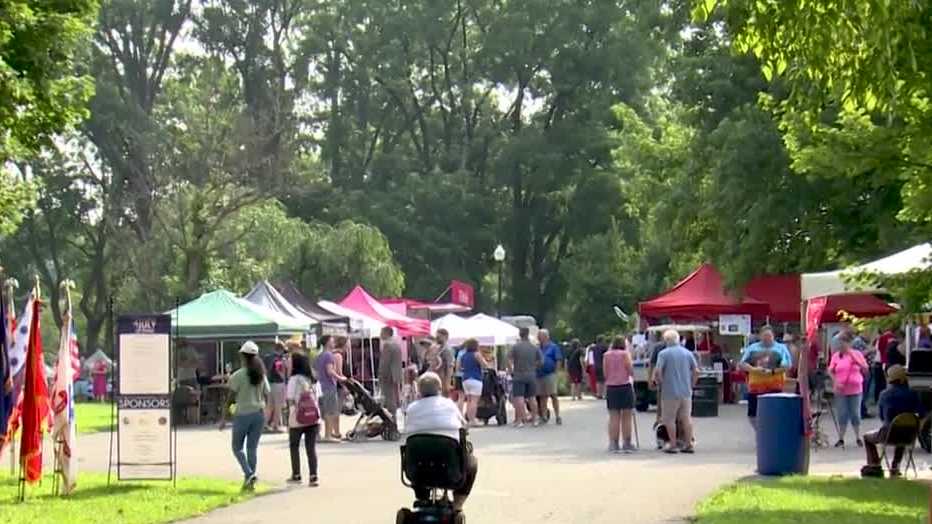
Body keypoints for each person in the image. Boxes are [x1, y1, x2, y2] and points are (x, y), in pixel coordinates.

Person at [404, 372, 478, 512]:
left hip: (417, 469)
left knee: (415, 453)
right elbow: (463, 425)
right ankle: (457, 505)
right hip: (449, 463)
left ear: (419, 391)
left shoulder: (411, 408)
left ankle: (422, 496)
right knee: (472, 463)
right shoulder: (449, 404)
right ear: (439, 389)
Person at [219, 341, 270, 491]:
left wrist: (224, 418)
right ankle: (250, 481)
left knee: (236, 448)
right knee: (252, 448)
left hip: (242, 414)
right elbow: (267, 393)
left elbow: (230, 398)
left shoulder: (238, 375)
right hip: (259, 414)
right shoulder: (261, 374)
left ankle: (248, 474)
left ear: (242, 356)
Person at [861, 365, 927, 478]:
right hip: (909, 435)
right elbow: (922, 413)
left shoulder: (885, 394)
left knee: (867, 437)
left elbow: (882, 417)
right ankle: (895, 466)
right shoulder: (913, 394)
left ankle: (874, 465)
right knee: (902, 432)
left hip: (888, 434)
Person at [739, 326, 792, 431]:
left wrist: (773, 371)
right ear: (760, 336)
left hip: (774, 386)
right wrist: (754, 369)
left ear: (773, 336)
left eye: (769, 336)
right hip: (755, 387)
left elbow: (787, 365)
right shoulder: (752, 348)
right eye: (764, 336)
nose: (766, 338)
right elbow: (742, 364)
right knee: (752, 414)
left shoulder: (781, 348)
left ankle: (771, 432)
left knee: (774, 412)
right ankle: (760, 432)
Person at [653, 330, 698, 454]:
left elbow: (658, 371)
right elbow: (696, 371)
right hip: (686, 391)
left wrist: (660, 382)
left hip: (669, 392)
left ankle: (673, 444)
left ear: (666, 340)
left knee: (669, 419)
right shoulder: (687, 353)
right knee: (686, 418)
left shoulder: (663, 354)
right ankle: (689, 444)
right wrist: (692, 384)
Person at [829, 331, 869, 447]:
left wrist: (853, 357)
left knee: (855, 413)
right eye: (840, 342)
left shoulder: (857, 354)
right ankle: (841, 438)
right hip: (841, 389)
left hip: (855, 388)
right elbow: (830, 370)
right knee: (842, 413)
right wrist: (835, 381)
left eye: (844, 342)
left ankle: (858, 436)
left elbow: (865, 368)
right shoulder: (836, 356)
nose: (841, 345)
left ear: (849, 343)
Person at [286, 353, 321, 486]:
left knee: (294, 445)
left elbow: (290, 399)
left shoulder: (294, 380)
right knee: (311, 448)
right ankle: (313, 476)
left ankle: (296, 474)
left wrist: (288, 418)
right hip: (313, 417)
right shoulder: (313, 379)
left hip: (297, 417)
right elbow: (319, 398)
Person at [603, 336, 636, 453]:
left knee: (613, 416)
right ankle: (627, 443)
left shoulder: (606, 355)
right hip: (624, 386)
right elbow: (630, 370)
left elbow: (605, 372)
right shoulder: (625, 354)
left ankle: (613, 443)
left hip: (611, 387)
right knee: (626, 416)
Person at [508, 327, 542, 427]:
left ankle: (521, 420)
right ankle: (535, 419)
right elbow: (541, 361)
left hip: (518, 374)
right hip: (531, 375)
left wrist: (511, 371)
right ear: (528, 334)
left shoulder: (515, 347)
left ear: (520, 334)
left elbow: (509, 360)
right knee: (532, 398)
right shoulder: (534, 347)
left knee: (519, 398)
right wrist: (534, 366)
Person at [315, 335, 346, 442]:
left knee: (322, 411)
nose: (334, 343)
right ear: (327, 343)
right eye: (332, 341)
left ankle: (319, 434)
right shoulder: (329, 355)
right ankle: (328, 435)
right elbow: (330, 371)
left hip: (320, 386)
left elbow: (315, 372)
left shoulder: (319, 355)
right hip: (329, 386)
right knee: (330, 411)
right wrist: (340, 378)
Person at [536, 329, 564, 425]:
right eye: (538, 336)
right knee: (542, 396)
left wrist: (556, 372)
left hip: (550, 374)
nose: (538, 338)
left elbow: (558, 360)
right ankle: (543, 416)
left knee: (553, 395)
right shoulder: (538, 347)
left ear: (546, 337)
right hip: (539, 375)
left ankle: (557, 416)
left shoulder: (553, 347)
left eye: (540, 336)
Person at [459, 338, 487, 425]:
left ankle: (468, 419)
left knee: (469, 400)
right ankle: (473, 419)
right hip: (475, 378)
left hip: (465, 379)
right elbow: (484, 365)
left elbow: (460, 367)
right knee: (474, 401)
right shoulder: (476, 354)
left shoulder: (463, 355)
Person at [379, 327, 404, 421]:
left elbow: (385, 363)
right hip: (395, 375)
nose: (380, 334)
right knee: (394, 396)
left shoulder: (387, 345)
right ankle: (394, 416)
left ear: (386, 333)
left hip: (388, 376)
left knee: (389, 397)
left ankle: (392, 418)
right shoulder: (396, 344)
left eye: (381, 332)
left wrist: (381, 375)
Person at [264, 342, 288, 433]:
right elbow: (279, 371)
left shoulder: (267, 357)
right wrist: (284, 380)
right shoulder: (279, 359)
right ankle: (276, 425)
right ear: (281, 349)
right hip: (278, 383)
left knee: (269, 405)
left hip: (269, 383)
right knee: (278, 406)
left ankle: (265, 424)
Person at [436, 329, 454, 397]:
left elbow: (450, 366)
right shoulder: (439, 348)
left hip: (443, 379)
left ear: (445, 337)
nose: (437, 339)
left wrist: (447, 383)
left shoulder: (447, 350)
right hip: (438, 378)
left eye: (438, 337)